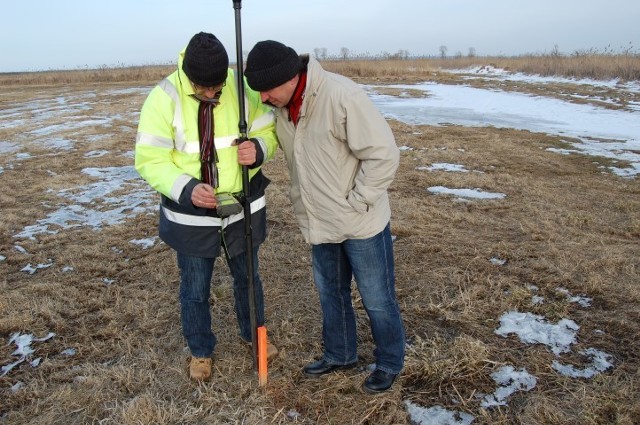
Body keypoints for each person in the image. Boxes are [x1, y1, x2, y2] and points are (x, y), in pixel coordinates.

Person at [244, 40, 405, 393]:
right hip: (319, 222)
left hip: (360, 221)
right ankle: (340, 354)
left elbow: (384, 154)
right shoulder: (282, 109)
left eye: (267, 91)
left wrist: (358, 201)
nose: (263, 99)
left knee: (377, 297)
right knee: (331, 293)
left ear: (288, 77)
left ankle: (390, 361)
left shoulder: (341, 96)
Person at [135, 32, 279, 382]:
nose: (214, 94)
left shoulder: (241, 89)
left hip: (241, 207)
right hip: (191, 214)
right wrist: (187, 188)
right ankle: (200, 350)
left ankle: (254, 335)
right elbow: (149, 159)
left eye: (218, 86)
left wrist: (258, 148)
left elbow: (270, 131)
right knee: (195, 287)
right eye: (205, 89)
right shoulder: (163, 98)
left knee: (248, 278)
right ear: (189, 77)